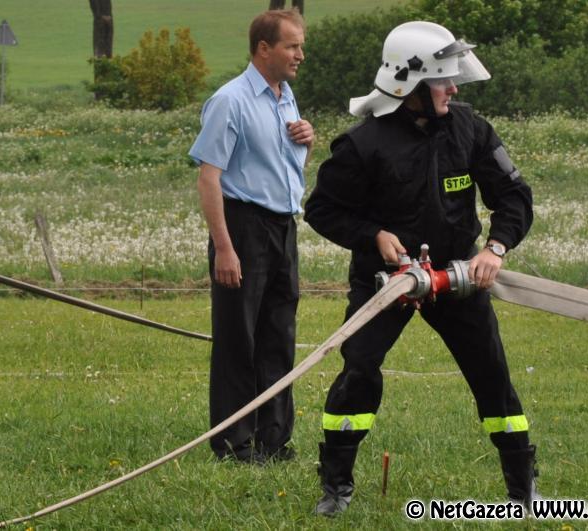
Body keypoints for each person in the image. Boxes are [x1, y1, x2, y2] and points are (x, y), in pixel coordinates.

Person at [304, 21, 538, 514]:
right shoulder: (363, 144)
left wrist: (494, 249)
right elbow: (322, 209)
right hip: (383, 282)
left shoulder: (470, 129)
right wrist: (374, 235)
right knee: (359, 370)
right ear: (409, 84)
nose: (453, 88)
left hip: (457, 277)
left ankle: (523, 490)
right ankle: (336, 488)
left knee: (492, 376)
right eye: (442, 80)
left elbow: (513, 196)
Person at [189, 9, 314, 464]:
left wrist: (307, 143)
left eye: (300, 45)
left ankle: (274, 440)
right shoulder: (231, 100)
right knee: (238, 338)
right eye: (292, 46)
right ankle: (234, 443)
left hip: (283, 226)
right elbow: (209, 178)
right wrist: (224, 246)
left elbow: (283, 171)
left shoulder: (286, 97)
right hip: (241, 228)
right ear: (264, 49)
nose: (300, 54)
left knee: (278, 335)